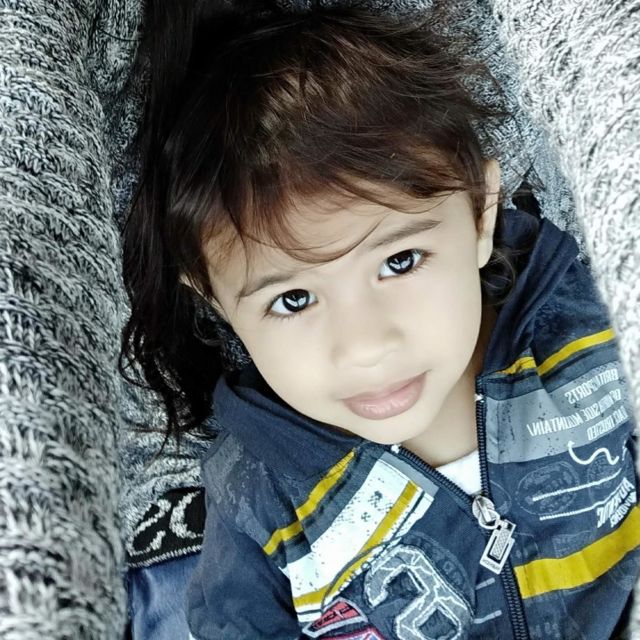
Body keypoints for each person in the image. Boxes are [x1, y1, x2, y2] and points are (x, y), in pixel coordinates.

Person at [120, 6, 640, 639]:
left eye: (400, 261)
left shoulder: (593, 335)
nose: (365, 346)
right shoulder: (258, 494)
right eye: (293, 300)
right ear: (214, 299)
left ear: (481, 213)